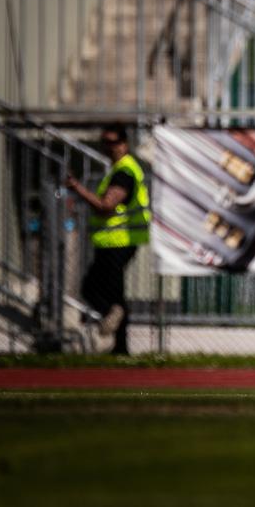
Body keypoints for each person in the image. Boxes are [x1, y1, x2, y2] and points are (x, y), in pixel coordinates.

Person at [66, 125, 151, 354]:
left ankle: (116, 332)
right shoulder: (118, 169)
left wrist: (78, 189)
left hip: (119, 241)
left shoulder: (124, 172)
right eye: (104, 142)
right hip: (111, 241)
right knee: (108, 294)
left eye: (113, 142)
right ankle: (120, 346)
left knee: (97, 290)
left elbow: (106, 206)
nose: (108, 147)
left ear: (124, 144)